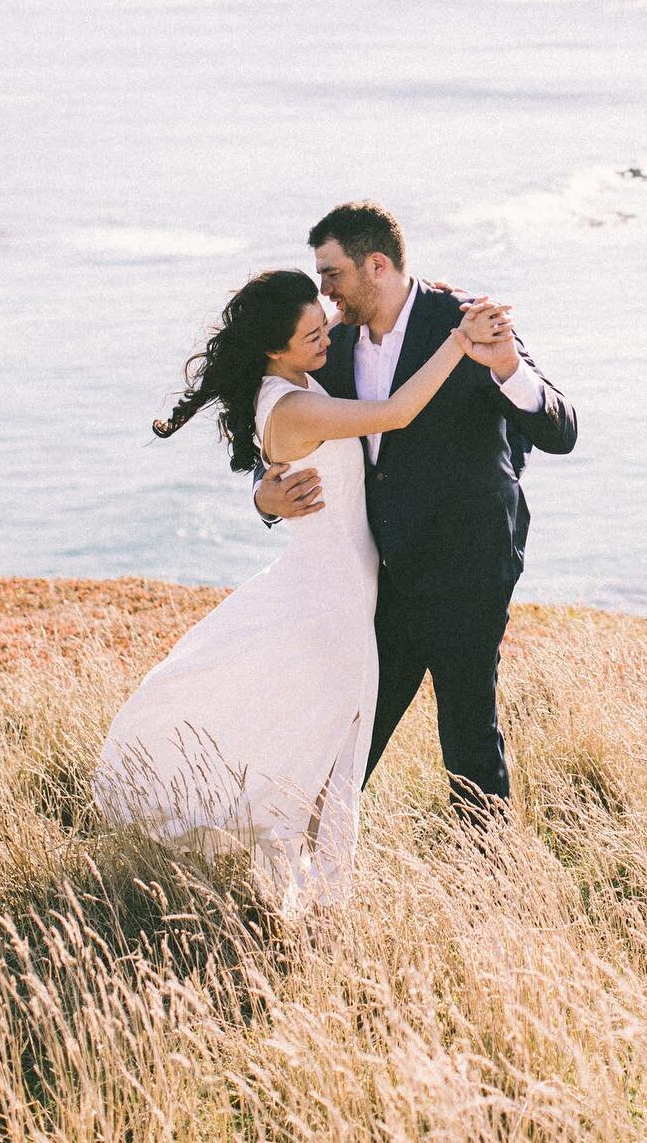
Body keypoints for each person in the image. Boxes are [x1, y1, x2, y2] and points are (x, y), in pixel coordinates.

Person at [94, 268, 509, 912]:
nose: (328, 334)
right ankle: (311, 897)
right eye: (313, 332)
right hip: (330, 600)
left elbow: (366, 324)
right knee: (328, 744)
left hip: (337, 587)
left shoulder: (292, 378)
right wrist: (456, 342)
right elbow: (395, 414)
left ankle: (300, 888)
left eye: (325, 320)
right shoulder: (293, 405)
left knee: (324, 738)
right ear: (276, 347)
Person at [255, 201, 577, 818]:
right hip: (382, 573)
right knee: (351, 728)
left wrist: (508, 367)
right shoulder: (333, 344)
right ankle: (307, 871)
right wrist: (264, 498)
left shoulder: (465, 322)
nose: (323, 293)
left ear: (376, 264)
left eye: (331, 274)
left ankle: (487, 887)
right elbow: (290, 430)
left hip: (471, 560)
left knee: (467, 734)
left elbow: (561, 430)